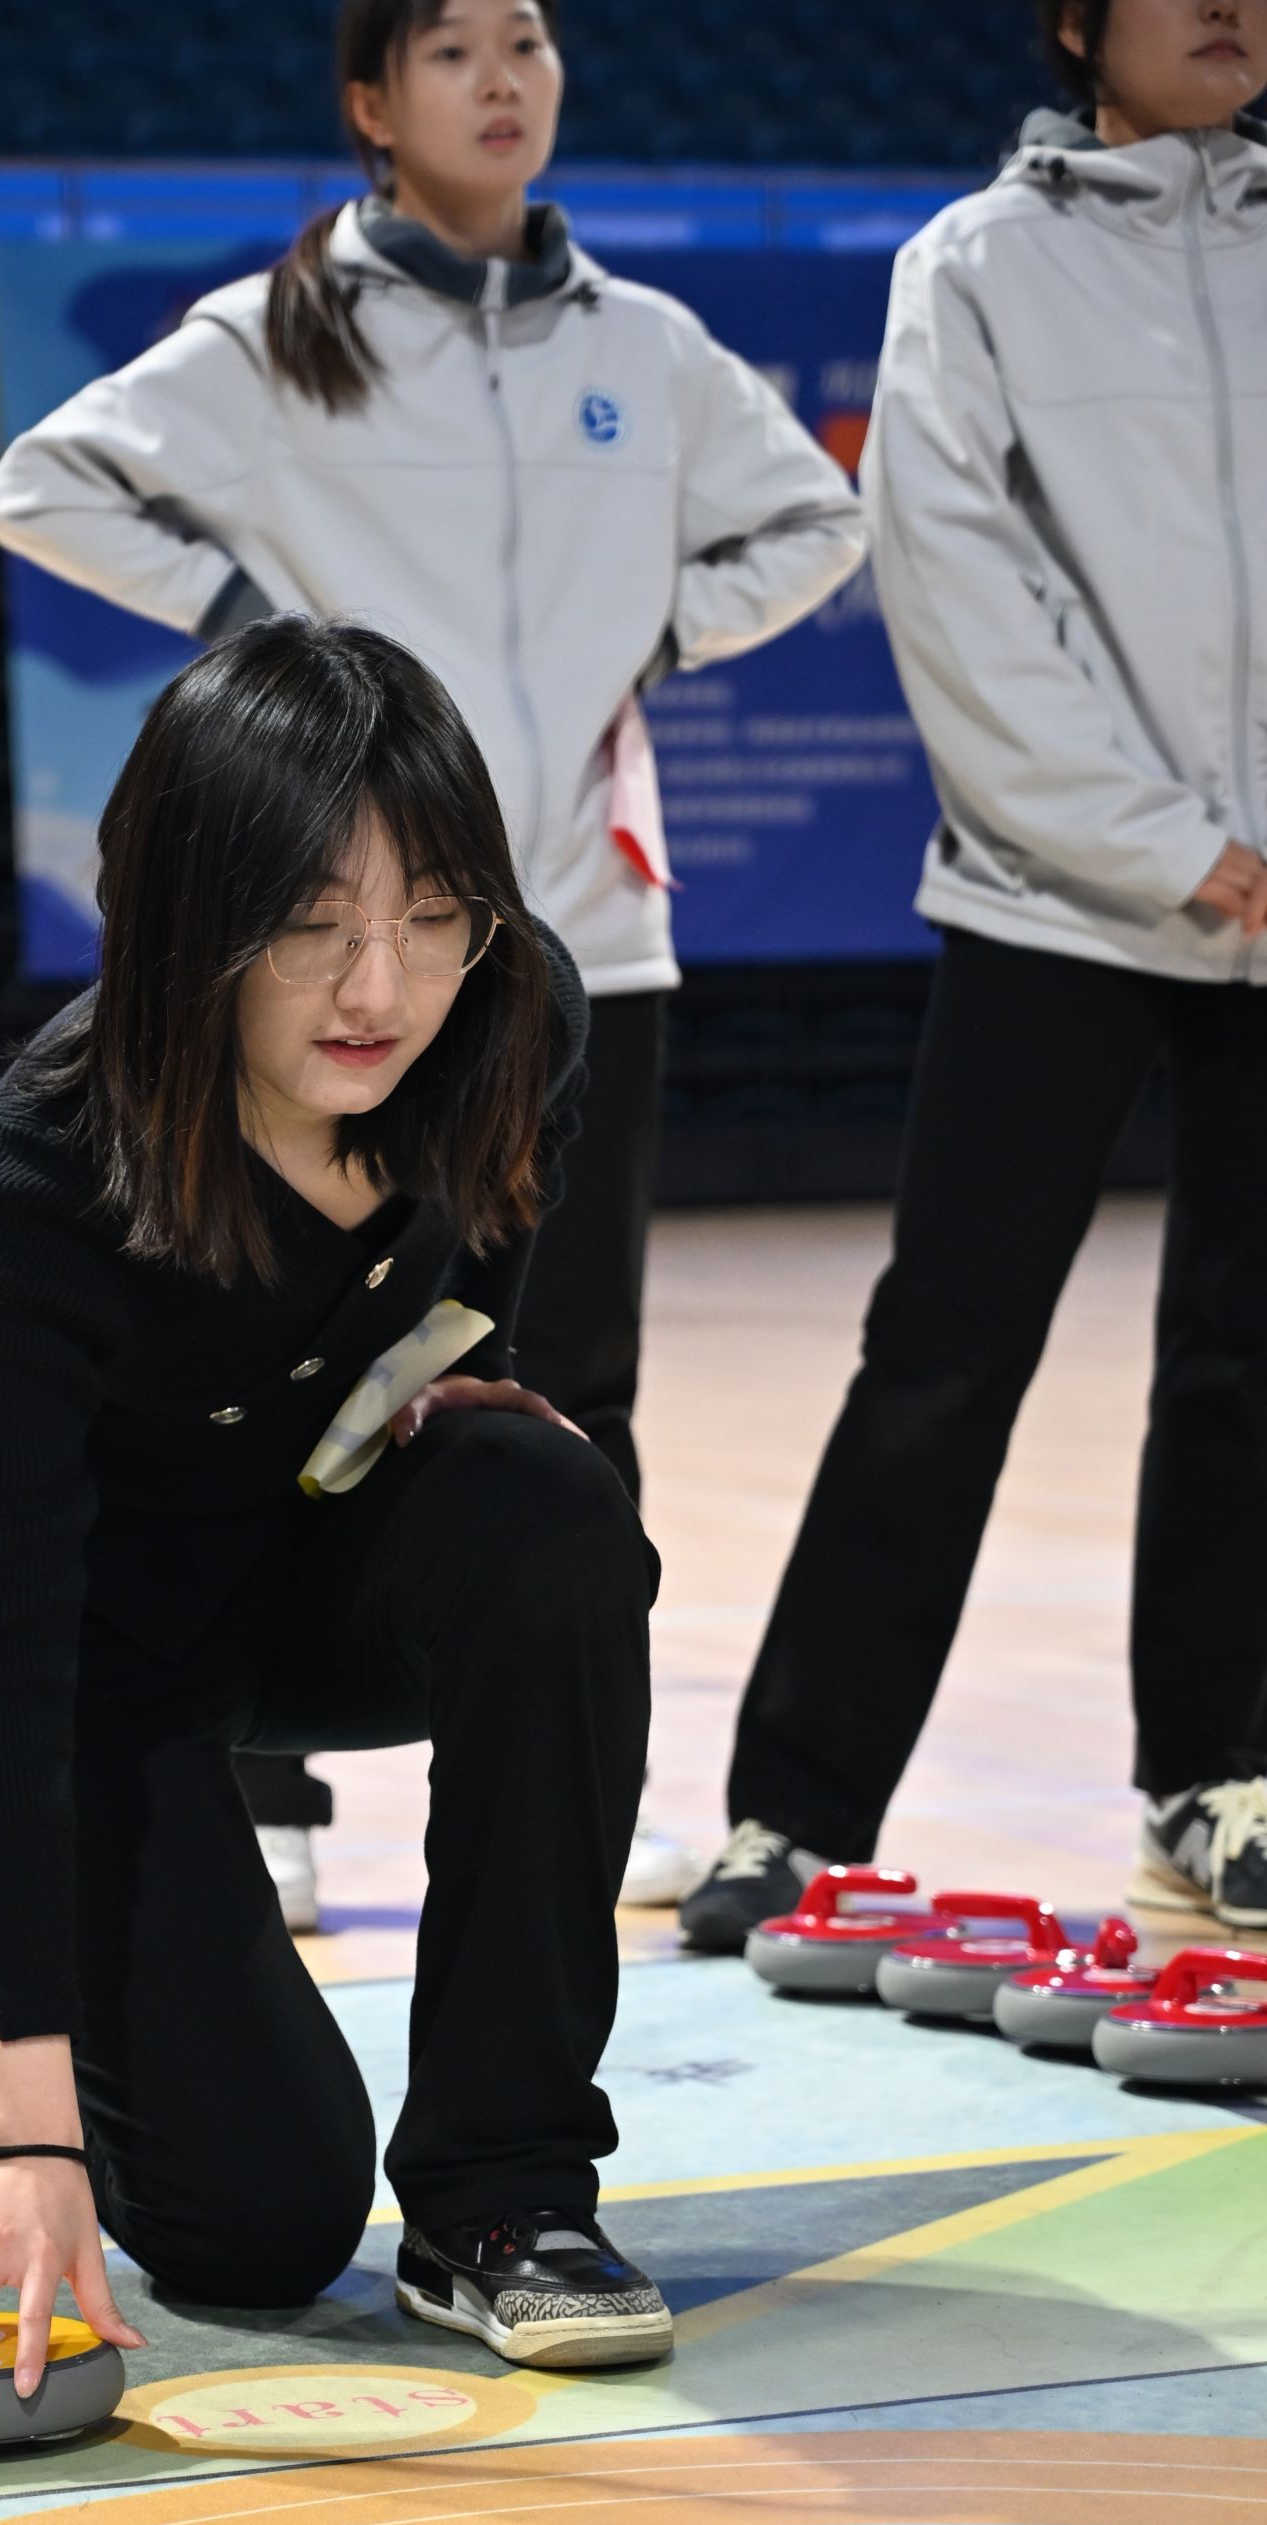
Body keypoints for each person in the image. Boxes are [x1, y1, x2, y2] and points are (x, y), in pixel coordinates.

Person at [0, 0, 866, 1920]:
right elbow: (37, 483)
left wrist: (653, 638)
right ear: (374, 105)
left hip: (577, 937)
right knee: (268, 1359)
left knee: (569, 1383)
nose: (505, 78)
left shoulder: (647, 346)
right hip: (327, 957)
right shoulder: (279, 334)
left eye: (528, 40)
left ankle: (570, 1776)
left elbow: (819, 514)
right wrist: (255, 627)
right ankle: (265, 1798)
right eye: (454, 50)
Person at [0, 619, 668, 2398]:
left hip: (318, 1571)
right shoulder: (40, 1192)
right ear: (192, 920)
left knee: (550, 1503)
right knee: (255, 2225)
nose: (379, 987)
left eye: (433, 916)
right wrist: (31, 2130)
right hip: (108, 1669)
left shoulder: (515, 1015)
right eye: (314, 925)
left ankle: (504, 2194)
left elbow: (488, 1265)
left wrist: (458, 1383)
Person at [680, 0, 1267, 1955]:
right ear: (1078, 23)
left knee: (1249, 1362)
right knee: (942, 1358)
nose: (1229, 6)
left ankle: (1219, 1779)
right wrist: (1168, 845)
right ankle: (795, 1810)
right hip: (1054, 899)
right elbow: (954, 590)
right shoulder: (978, 265)